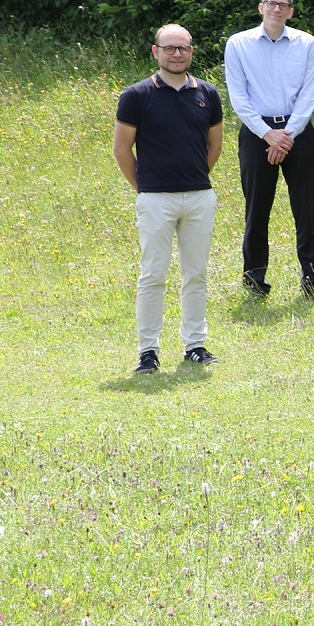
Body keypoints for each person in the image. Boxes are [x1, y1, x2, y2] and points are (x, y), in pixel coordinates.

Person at [114, 24, 225, 373]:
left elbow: (215, 146)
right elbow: (122, 150)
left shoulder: (208, 93)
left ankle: (195, 344)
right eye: (170, 48)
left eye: (184, 48)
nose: (177, 54)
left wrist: (194, 178)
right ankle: (148, 351)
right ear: (155, 51)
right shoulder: (136, 95)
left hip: (198, 197)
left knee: (196, 274)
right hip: (155, 199)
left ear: (192, 51)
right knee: (153, 275)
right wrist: (144, 187)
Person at [223, 0, 314, 296]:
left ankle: (312, 277)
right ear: (261, 7)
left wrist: (287, 136)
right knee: (257, 207)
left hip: (297, 132)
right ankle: (254, 279)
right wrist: (268, 135)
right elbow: (238, 96)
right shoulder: (238, 44)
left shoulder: (306, 43)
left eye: (284, 5)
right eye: (271, 4)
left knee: (305, 208)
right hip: (257, 134)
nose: (277, 10)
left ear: (291, 11)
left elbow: (309, 94)